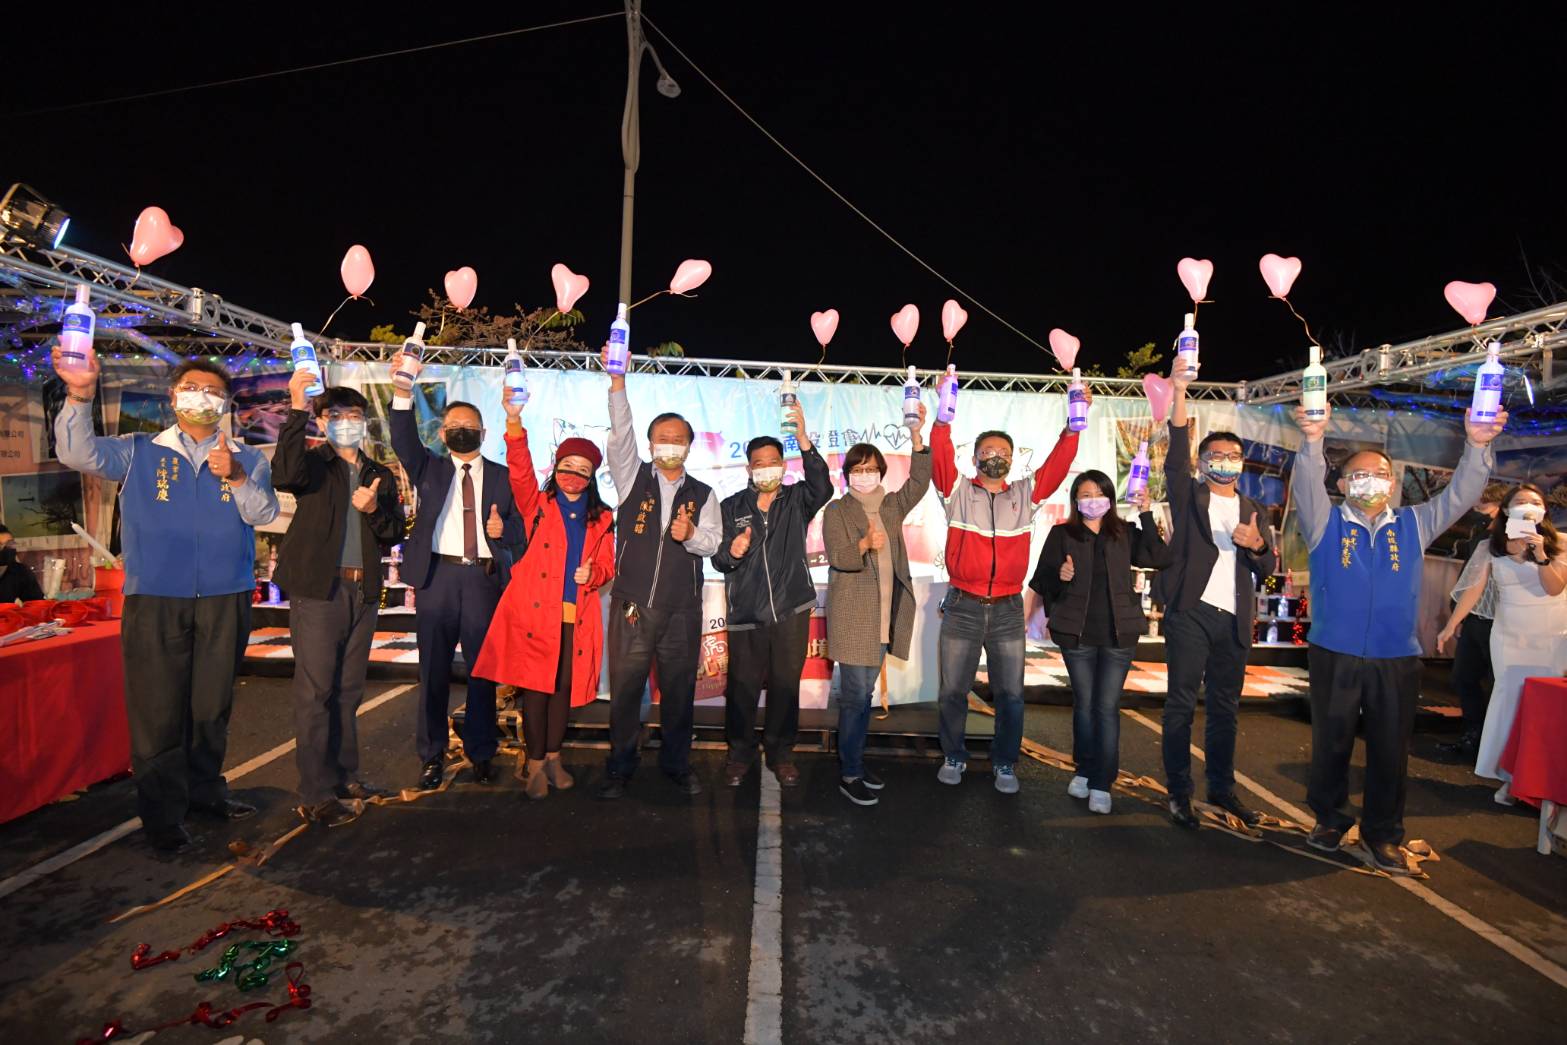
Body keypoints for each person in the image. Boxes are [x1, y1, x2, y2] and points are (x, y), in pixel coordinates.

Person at [51, 348, 279, 852]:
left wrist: (237, 476)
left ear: (225, 404)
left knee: (211, 706)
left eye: (213, 392)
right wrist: (80, 393)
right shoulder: (137, 450)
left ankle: (205, 792)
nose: (202, 398)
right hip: (155, 598)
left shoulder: (247, 458)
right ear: (174, 398)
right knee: (158, 711)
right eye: (192, 389)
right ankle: (162, 816)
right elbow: (76, 453)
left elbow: (263, 513)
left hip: (225, 596)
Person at [1292, 401, 1505, 873]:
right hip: (1335, 652)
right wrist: (1312, 440)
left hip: (1396, 656)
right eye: (1360, 475)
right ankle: (1329, 819)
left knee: (1391, 749)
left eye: (1381, 474)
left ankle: (1383, 833)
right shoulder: (1324, 522)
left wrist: (1477, 446)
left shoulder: (1414, 523)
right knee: (1331, 742)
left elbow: (1462, 493)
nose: (1373, 481)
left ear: (1393, 484)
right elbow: (1305, 483)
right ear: (1343, 484)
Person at [930, 394, 1086, 794]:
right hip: (963, 606)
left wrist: (1071, 431)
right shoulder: (957, 491)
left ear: (1013, 460)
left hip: (1008, 609)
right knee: (952, 691)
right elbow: (940, 459)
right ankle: (953, 755)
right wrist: (941, 424)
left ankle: (1004, 763)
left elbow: (1056, 468)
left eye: (1002, 452)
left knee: (1011, 694)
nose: (995, 457)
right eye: (987, 452)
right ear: (975, 458)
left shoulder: (1025, 494)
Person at [271, 371, 404, 827]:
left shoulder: (378, 474)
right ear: (322, 421)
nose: (346, 422)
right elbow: (283, 474)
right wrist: (296, 407)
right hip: (319, 590)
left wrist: (375, 509)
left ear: (365, 422)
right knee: (316, 692)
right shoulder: (313, 464)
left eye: (354, 415)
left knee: (348, 691)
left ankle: (346, 777)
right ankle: (315, 792)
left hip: (363, 591)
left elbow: (393, 532)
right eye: (336, 415)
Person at [471, 389, 615, 800]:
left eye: (583, 469)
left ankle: (554, 757)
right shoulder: (537, 503)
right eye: (568, 465)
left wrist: (594, 573)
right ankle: (534, 764)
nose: (574, 474)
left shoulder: (603, 517)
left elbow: (609, 565)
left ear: (593, 475)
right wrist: (514, 422)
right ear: (556, 466)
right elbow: (519, 468)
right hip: (536, 613)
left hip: (576, 615)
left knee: (563, 689)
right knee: (536, 688)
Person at [388, 353, 523, 791]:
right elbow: (402, 437)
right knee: (433, 672)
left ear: (483, 433)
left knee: (483, 671)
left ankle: (481, 752)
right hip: (437, 579)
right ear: (443, 434)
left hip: (483, 580)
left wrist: (504, 532)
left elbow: (522, 530)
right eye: (454, 426)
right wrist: (403, 391)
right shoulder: (429, 466)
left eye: (470, 426)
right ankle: (431, 755)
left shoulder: (503, 477)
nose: (462, 431)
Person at [597, 347, 723, 799]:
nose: (670, 445)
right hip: (633, 605)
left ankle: (676, 764)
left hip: (681, 611)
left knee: (679, 691)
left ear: (689, 446)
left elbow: (714, 543)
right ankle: (620, 766)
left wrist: (691, 535)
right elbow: (620, 433)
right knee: (627, 691)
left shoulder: (704, 493)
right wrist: (617, 383)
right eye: (662, 438)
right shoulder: (631, 477)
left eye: (678, 439)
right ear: (651, 445)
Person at [1156, 360, 1277, 829]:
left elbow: (1267, 569)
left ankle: (1222, 789)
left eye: (1232, 455)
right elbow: (1175, 453)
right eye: (1216, 455)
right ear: (1203, 462)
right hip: (1192, 612)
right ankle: (1179, 791)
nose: (1224, 461)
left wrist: (1257, 545)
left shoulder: (1254, 509)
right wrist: (1179, 391)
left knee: (1225, 709)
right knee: (1181, 705)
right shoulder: (1190, 496)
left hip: (1234, 621)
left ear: (1241, 463)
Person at [1029, 471, 1170, 815]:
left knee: (1105, 707)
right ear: (1076, 500)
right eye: (1085, 494)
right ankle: (1084, 768)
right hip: (1076, 633)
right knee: (1084, 703)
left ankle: (1101, 782)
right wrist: (1060, 576)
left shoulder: (1124, 533)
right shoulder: (1063, 534)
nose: (1093, 500)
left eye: (1099, 493)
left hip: (1118, 634)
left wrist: (1147, 514)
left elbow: (1159, 557)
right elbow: (1042, 579)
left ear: (1109, 498)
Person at [711, 401, 833, 788]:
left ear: (783, 465)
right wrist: (732, 552)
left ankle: (781, 753)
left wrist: (803, 440)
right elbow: (718, 559)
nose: (766, 468)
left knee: (784, 686)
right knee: (742, 689)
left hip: (791, 610)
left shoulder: (797, 500)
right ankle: (739, 753)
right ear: (749, 468)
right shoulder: (731, 507)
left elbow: (824, 486)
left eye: (772, 462)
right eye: (758, 463)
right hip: (746, 613)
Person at [822, 416, 934, 806]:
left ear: (881, 472)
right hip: (854, 618)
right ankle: (850, 771)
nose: (864, 475)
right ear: (847, 475)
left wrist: (917, 438)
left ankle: (854, 762)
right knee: (855, 697)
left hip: (886, 617)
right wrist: (864, 545)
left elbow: (919, 482)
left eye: (871, 468)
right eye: (857, 469)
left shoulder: (891, 505)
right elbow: (838, 556)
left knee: (864, 695)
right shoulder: (837, 511)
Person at [1437, 484, 1566, 803]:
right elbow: (1474, 590)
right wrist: (1451, 624)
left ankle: (1537, 778)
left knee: (1542, 705)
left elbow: (1554, 588)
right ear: (1507, 510)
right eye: (1521, 501)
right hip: (1508, 633)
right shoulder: (1491, 545)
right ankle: (1509, 776)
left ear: (1544, 510)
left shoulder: (1560, 543)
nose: (1528, 505)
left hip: (1551, 635)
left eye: (1535, 501)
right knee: (1510, 699)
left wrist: (1540, 554)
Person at [1434, 484, 1508, 761]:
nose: (1478, 508)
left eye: (1484, 503)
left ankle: (1493, 746)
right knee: (1463, 677)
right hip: (1475, 616)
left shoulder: (1517, 539)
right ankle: (1472, 736)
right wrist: (1456, 617)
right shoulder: (1482, 533)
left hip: (1502, 621)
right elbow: (1472, 579)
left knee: (1497, 683)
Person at [0, 524, 45, 603]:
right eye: (1, 545)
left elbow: (36, 603)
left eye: (11, 544)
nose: (8, 548)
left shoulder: (21, 571)